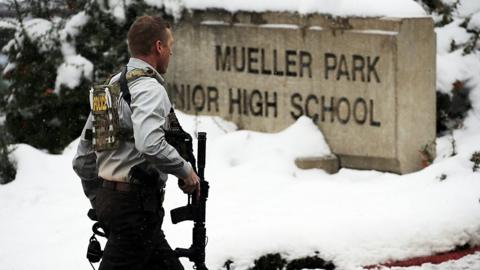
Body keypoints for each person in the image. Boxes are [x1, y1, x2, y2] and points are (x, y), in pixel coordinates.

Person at [72, 15, 200, 270]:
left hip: (122, 208)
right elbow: (150, 144)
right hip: (135, 211)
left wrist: (103, 199)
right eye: (170, 44)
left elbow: (84, 159)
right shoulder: (150, 89)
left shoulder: (111, 86)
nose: (172, 51)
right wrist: (186, 171)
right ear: (158, 47)